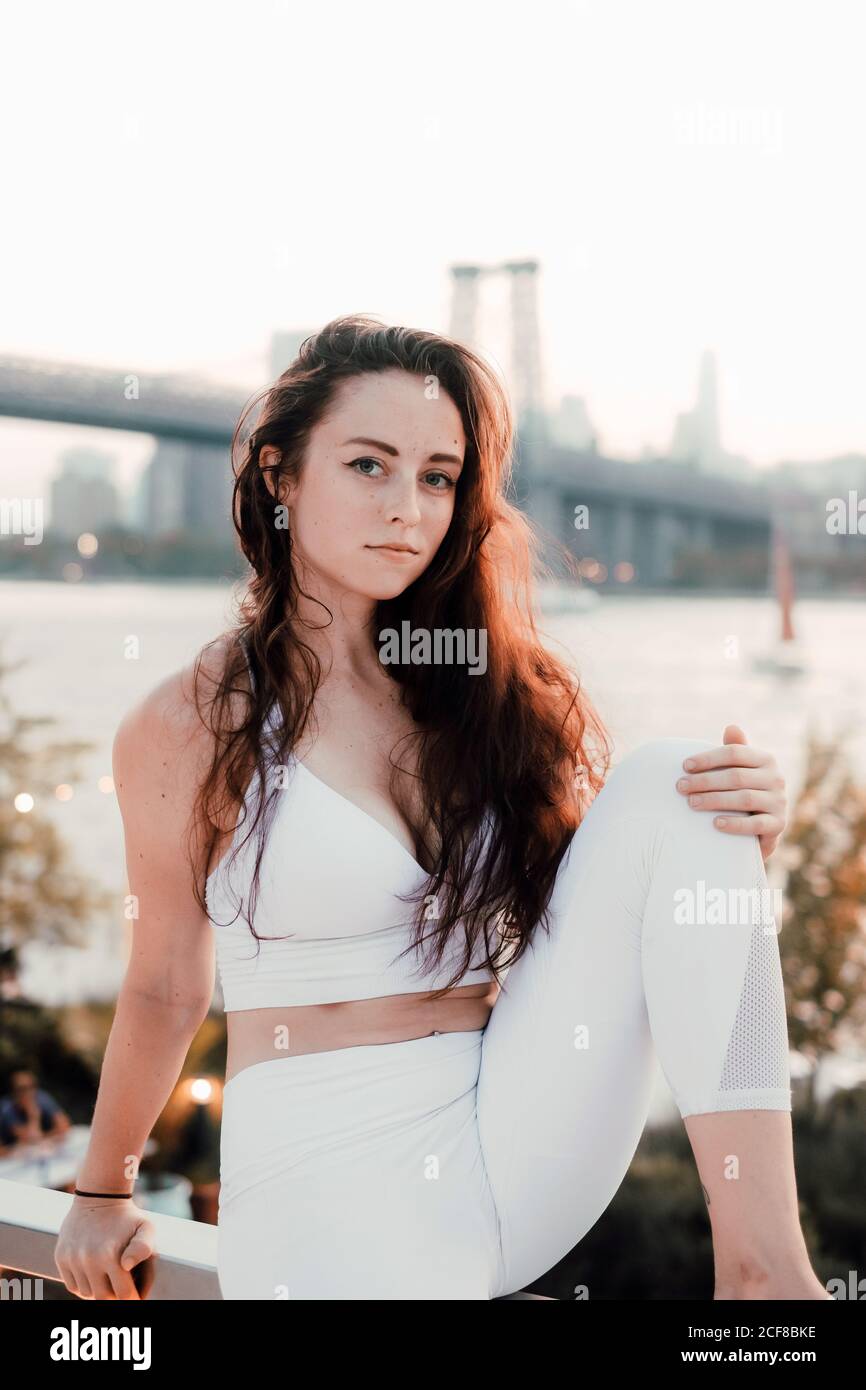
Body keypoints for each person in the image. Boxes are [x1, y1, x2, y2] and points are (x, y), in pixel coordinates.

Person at [55, 314, 830, 1301]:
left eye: (436, 476)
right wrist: (100, 1185)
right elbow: (166, 981)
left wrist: (727, 832)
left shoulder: (489, 693)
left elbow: (608, 911)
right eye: (369, 466)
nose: (406, 509)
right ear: (280, 476)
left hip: (510, 1118)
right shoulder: (188, 720)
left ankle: (765, 1274)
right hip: (322, 1158)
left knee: (675, 782)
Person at [0, 1069, 70, 1154]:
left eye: (32, 1087)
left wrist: (44, 1137)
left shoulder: (41, 1097)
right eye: (22, 1089)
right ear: (13, 1092)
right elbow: (30, 1139)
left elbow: (64, 1126)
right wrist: (33, 1116)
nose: (28, 1092)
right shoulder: (7, 1109)